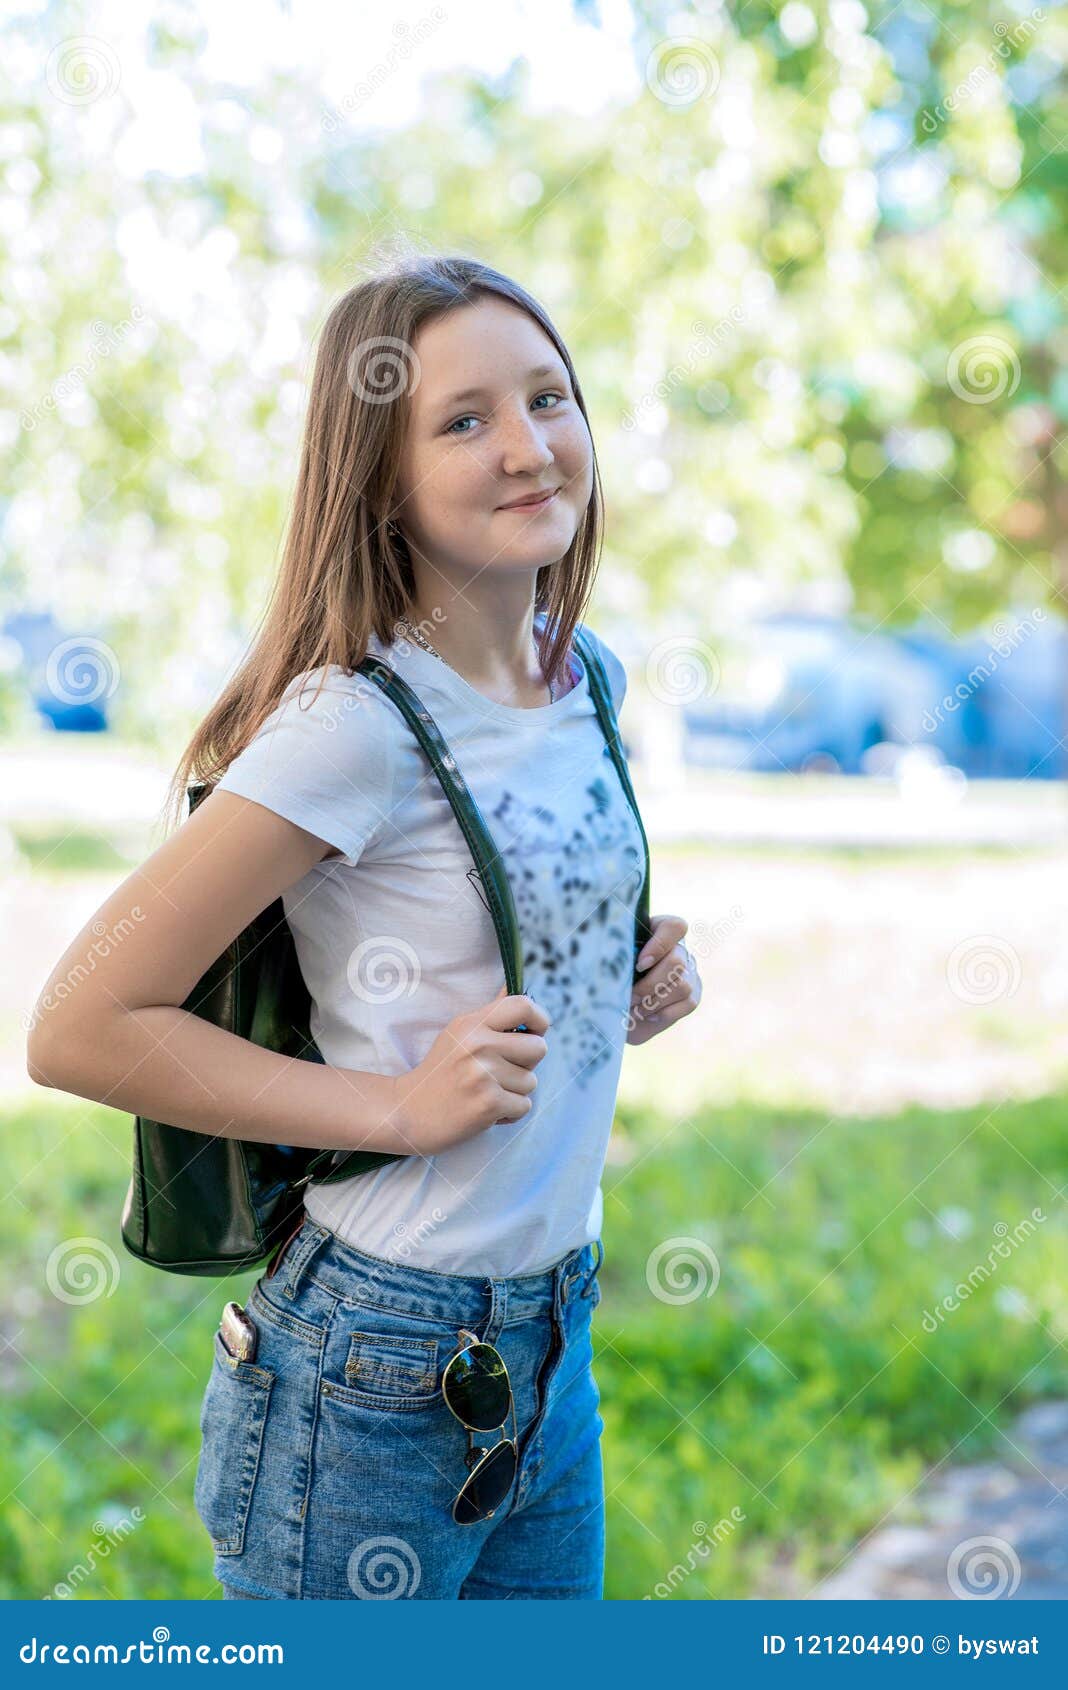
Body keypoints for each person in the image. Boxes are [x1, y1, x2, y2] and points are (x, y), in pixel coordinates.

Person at [26, 254, 702, 1599]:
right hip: (374, 1366)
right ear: (379, 477)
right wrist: (398, 1105)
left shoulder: (588, 680)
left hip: (551, 1336)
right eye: (464, 421)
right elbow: (78, 1022)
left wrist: (613, 981)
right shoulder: (353, 724)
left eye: (547, 398)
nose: (529, 446)